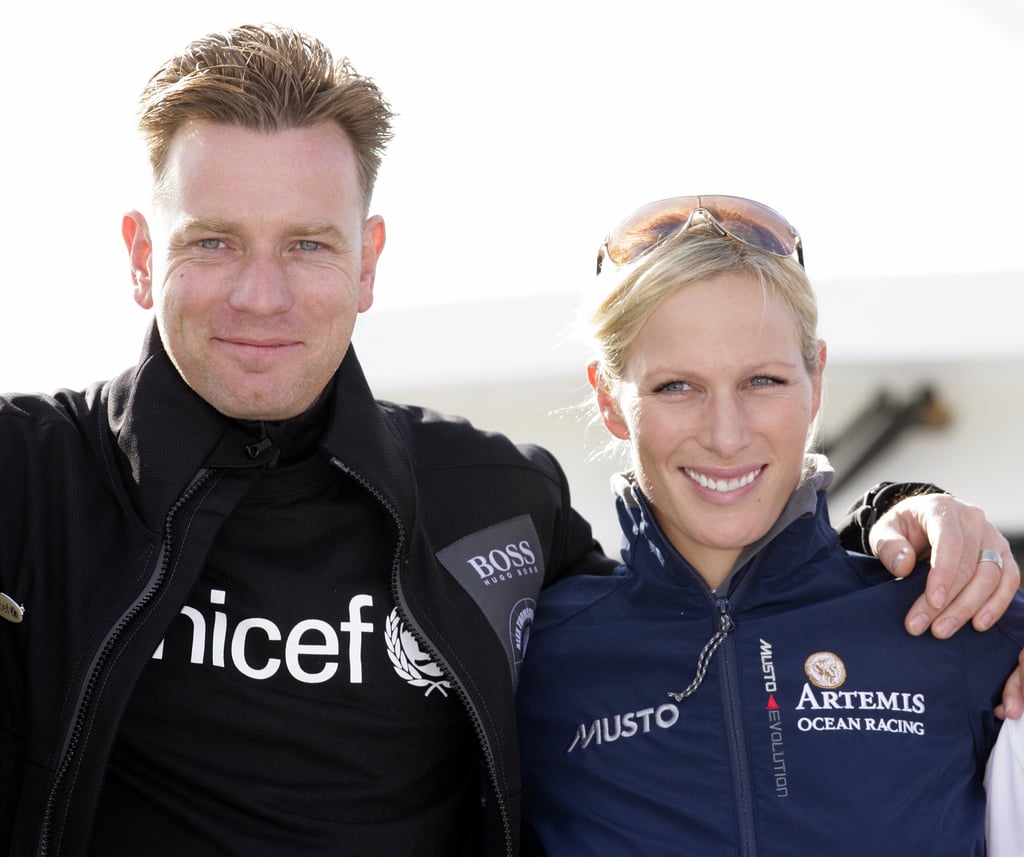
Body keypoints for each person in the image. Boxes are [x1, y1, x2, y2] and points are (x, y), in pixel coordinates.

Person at [0, 27, 1018, 857]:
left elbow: (708, 588)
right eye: (212, 240)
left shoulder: (488, 499)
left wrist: (910, 515)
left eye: (308, 243)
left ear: (368, 261)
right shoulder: (33, 478)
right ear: (141, 256)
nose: (260, 294)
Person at [515, 195, 1024, 855]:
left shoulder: (953, 617)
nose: (726, 435)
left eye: (763, 380)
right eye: (676, 386)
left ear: (815, 379)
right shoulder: (536, 660)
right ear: (610, 400)